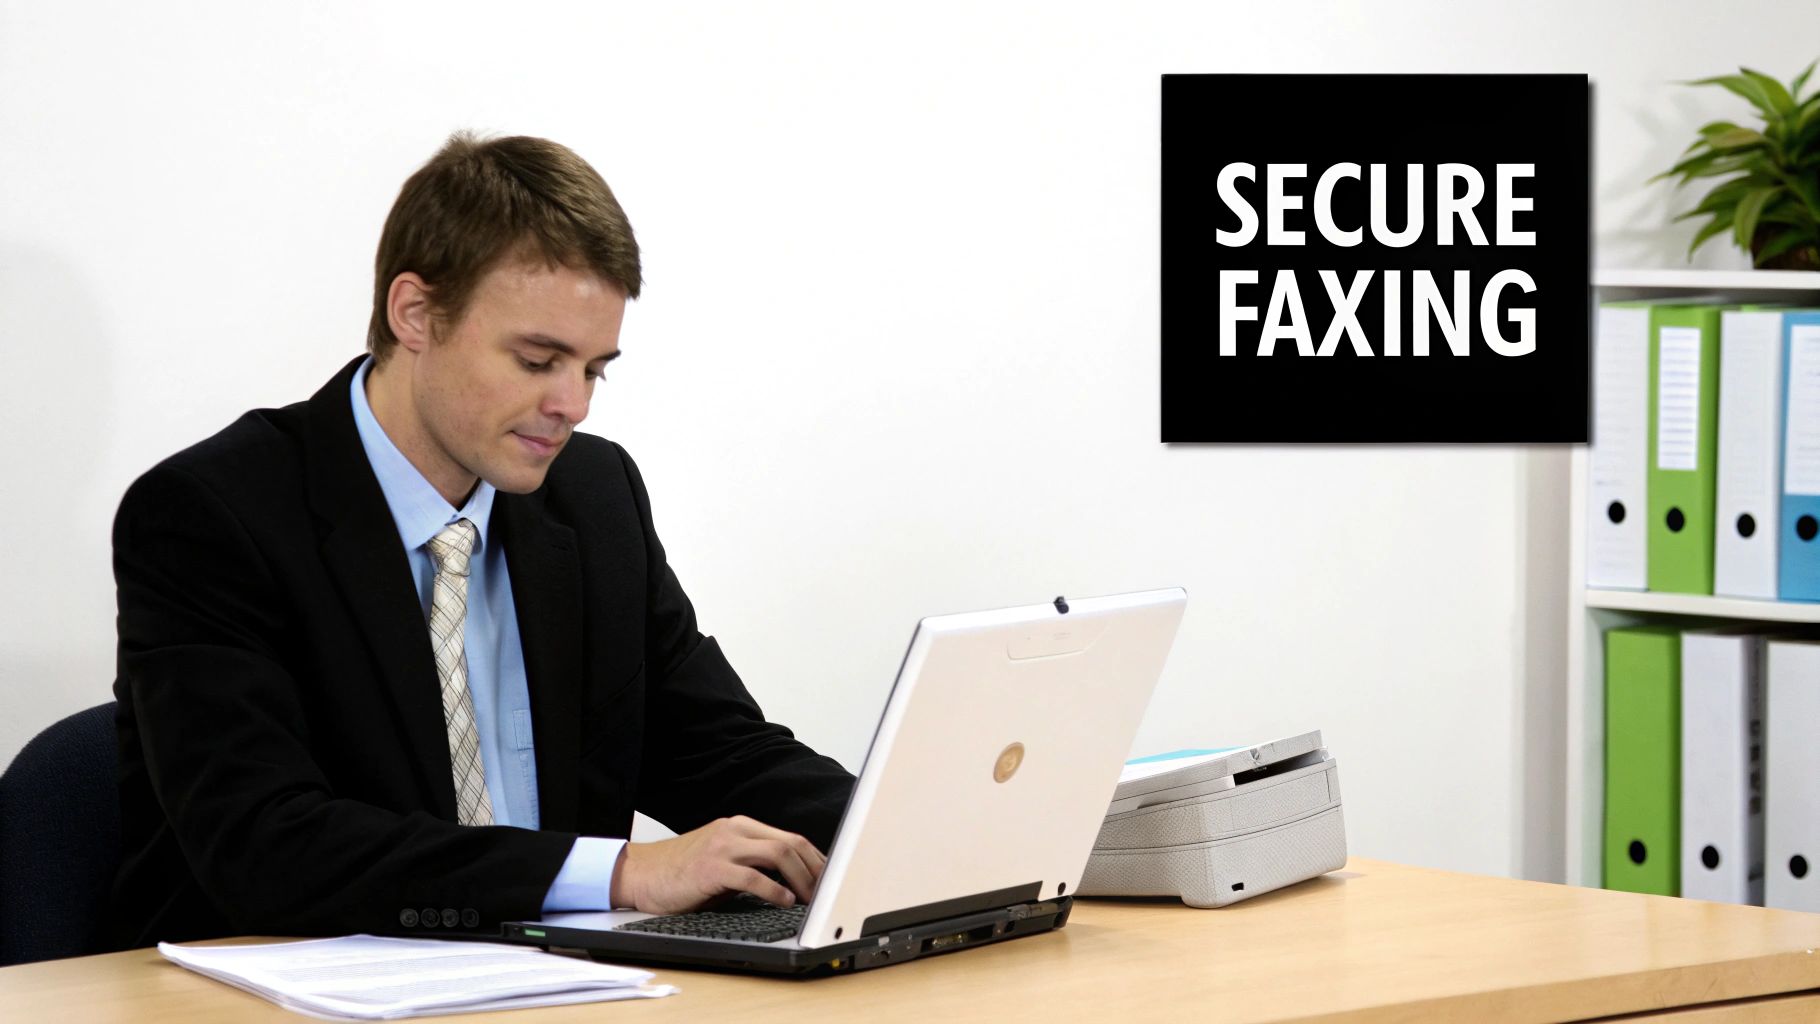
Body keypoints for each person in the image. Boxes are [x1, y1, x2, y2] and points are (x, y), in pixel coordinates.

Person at [106, 132, 855, 949]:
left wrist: (919, 834)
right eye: (539, 361)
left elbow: (718, 751)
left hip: (556, 990)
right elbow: (265, 846)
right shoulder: (212, 516)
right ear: (415, 314)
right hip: (283, 988)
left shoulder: (594, 497)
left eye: (595, 370)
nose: (574, 404)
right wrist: (621, 873)